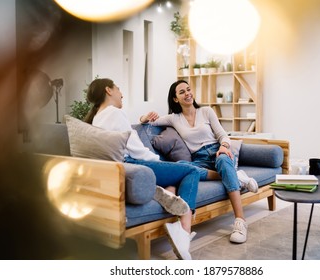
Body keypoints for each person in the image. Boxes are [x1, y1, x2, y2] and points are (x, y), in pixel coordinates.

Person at [84, 78, 200, 260]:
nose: (121, 94)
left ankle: (166, 195)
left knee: (175, 177)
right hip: (134, 164)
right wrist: (159, 162)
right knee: (191, 171)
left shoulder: (98, 116)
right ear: (109, 90)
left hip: (122, 166)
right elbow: (136, 149)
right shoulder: (114, 113)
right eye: (119, 88)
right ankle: (183, 232)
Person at [140, 79, 258, 244]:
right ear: (175, 99)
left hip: (218, 151)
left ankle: (240, 221)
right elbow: (148, 122)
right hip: (199, 159)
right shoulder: (174, 118)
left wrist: (224, 146)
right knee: (181, 167)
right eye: (182, 92)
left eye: (188, 90)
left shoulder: (206, 111)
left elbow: (223, 135)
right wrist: (144, 116)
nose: (187, 93)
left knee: (224, 162)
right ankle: (236, 177)